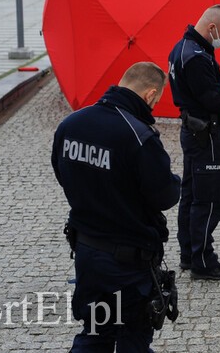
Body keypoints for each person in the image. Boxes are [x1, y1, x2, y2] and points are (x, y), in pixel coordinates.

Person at [52, 61, 181, 352]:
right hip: (129, 262)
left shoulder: (71, 124)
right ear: (149, 95)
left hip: (87, 253)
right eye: (156, 101)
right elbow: (165, 196)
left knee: (95, 333)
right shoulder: (139, 136)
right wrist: (176, 181)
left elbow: (62, 175)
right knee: (133, 337)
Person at [168, 4, 220, 281]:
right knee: (209, 200)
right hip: (206, 136)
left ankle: (189, 254)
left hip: (192, 132)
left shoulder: (180, 48)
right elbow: (213, 99)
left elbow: (203, 92)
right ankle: (204, 261)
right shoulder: (198, 57)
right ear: (211, 27)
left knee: (190, 195)